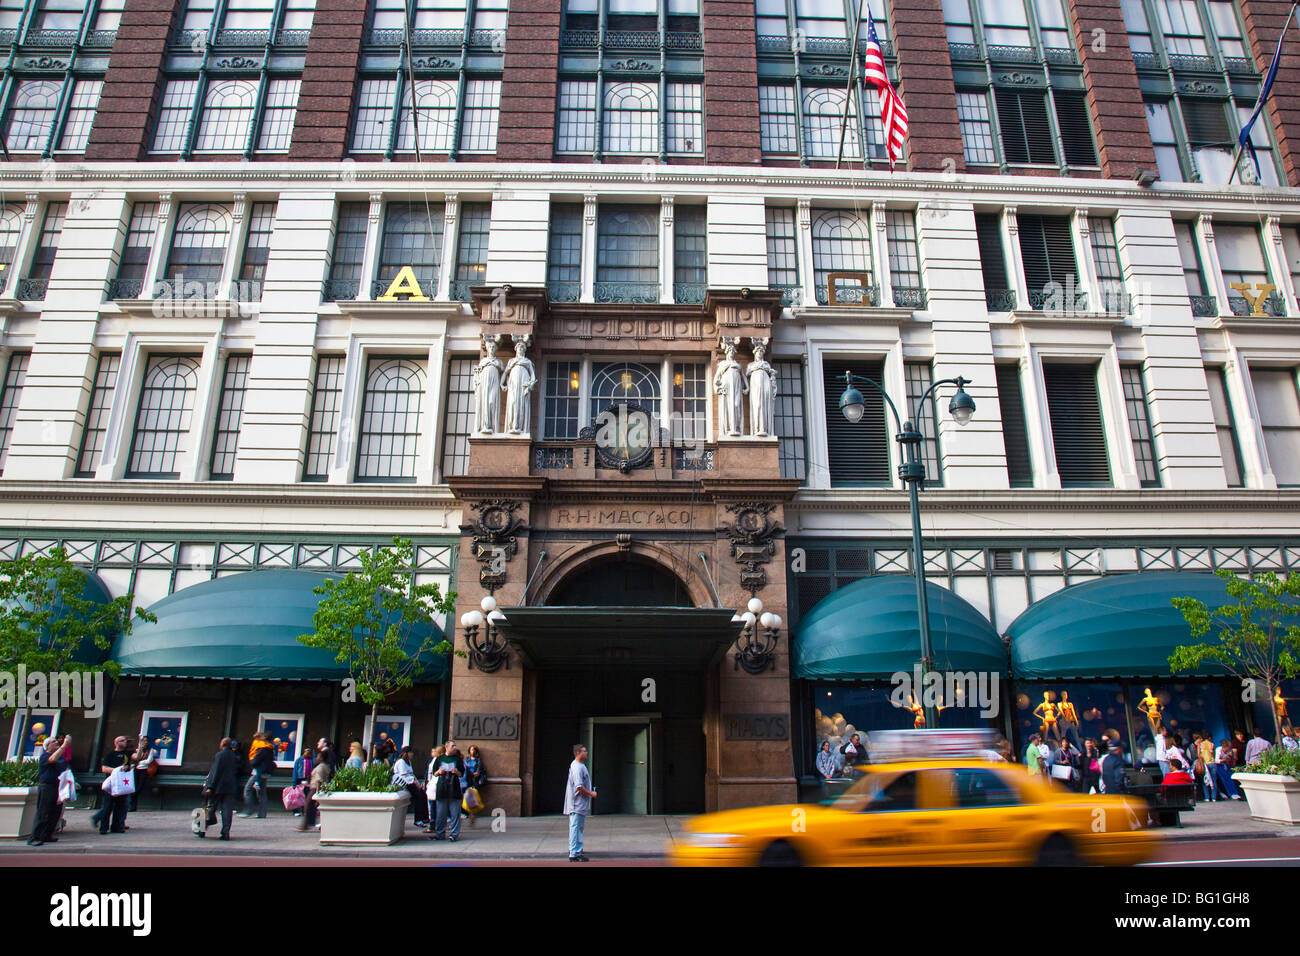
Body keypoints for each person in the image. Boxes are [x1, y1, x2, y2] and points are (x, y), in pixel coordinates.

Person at [28, 733, 72, 846]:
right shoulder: (45, 756)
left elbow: (64, 769)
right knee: (43, 812)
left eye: (56, 741)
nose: (57, 742)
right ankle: (34, 837)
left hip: (58, 787)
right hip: (47, 786)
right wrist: (64, 745)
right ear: (47, 746)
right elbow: (52, 759)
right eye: (53, 742)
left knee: (55, 813)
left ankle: (46, 835)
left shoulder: (60, 757)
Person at [92, 735, 135, 835]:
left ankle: (117, 827)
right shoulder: (110, 754)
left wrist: (141, 746)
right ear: (116, 743)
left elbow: (138, 757)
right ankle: (103, 828)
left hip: (122, 783)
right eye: (122, 740)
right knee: (108, 806)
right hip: (112, 783)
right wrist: (117, 770)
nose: (125, 742)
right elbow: (104, 768)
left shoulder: (127, 754)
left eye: (125, 740)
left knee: (120, 806)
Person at [203, 737, 241, 840]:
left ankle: (202, 829)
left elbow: (215, 771)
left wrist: (210, 786)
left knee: (209, 807)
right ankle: (225, 833)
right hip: (230, 786)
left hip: (218, 786)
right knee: (227, 810)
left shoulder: (219, 755)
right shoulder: (234, 756)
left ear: (222, 744)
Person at [564, 743, 596, 862]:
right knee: (575, 827)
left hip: (580, 804)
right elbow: (579, 787)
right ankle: (574, 853)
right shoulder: (577, 767)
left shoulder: (580, 766)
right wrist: (591, 793)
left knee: (578, 827)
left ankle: (577, 849)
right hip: (576, 803)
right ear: (578, 753)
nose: (586, 753)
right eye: (584, 751)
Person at [429, 740, 465, 842]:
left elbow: (462, 773)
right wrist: (439, 772)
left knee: (455, 813)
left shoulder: (457, 759)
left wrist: (457, 772)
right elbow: (434, 773)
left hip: (454, 787)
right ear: (446, 747)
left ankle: (454, 834)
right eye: (453, 746)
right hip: (442, 787)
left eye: (455, 746)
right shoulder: (439, 759)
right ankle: (440, 833)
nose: (455, 748)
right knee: (441, 813)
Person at [240, 733, 276, 818]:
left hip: (258, 773)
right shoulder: (271, 749)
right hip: (266, 773)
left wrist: (251, 761)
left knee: (248, 790)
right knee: (262, 793)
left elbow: (255, 761)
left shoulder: (263, 749)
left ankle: (248, 810)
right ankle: (262, 813)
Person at [392, 745, 427, 829]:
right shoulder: (401, 762)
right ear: (406, 753)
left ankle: (423, 818)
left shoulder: (408, 762)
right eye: (411, 752)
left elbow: (411, 774)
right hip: (404, 783)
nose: (412, 754)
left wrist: (417, 782)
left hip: (411, 782)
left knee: (422, 795)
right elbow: (404, 775)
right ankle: (419, 819)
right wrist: (415, 782)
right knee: (419, 796)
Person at [298, 751, 333, 831]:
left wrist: (317, 792)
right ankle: (309, 823)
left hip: (315, 788)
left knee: (308, 806)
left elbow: (319, 780)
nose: (316, 758)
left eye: (318, 756)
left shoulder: (320, 767)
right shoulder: (325, 766)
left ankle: (306, 825)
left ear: (321, 758)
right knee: (313, 807)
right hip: (317, 788)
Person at [463, 745, 486, 828]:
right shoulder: (466, 760)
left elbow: (479, 771)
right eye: (472, 749)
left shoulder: (478, 760)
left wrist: (475, 773)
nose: (473, 751)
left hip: (475, 781)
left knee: (472, 799)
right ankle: (468, 814)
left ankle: (472, 815)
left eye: (474, 750)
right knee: (465, 798)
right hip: (467, 781)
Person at [130, 738, 155, 812]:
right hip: (135, 770)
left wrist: (140, 762)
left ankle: (132, 802)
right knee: (133, 786)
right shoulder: (136, 750)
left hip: (143, 770)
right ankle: (132, 806)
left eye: (146, 741)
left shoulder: (150, 750)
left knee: (139, 787)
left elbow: (149, 761)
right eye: (143, 741)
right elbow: (133, 759)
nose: (145, 742)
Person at [290, 745, 313, 817]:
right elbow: (295, 771)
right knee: (297, 796)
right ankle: (295, 811)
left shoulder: (311, 760)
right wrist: (294, 782)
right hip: (299, 780)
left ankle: (304, 810)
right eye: (306, 752)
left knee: (306, 796)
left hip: (308, 780)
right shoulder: (299, 760)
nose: (307, 754)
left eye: (309, 752)